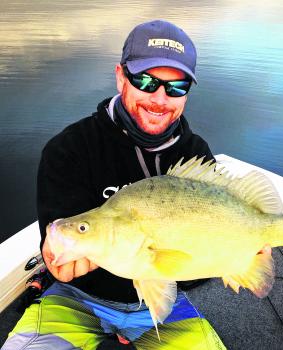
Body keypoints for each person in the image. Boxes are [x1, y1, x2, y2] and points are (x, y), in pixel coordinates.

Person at [2, 20, 226, 349]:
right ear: (121, 76)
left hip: (161, 308)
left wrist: (229, 255)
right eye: (146, 81)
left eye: (177, 87)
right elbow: (63, 235)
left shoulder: (195, 156)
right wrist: (55, 257)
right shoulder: (70, 149)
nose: (160, 98)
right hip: (77, 297)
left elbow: (197, 275)